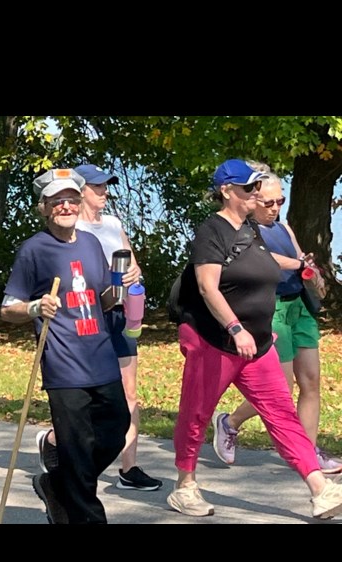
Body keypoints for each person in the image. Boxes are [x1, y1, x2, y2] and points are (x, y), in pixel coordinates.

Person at [168, 158, 342, 519]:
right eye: (249, 188)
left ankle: (320, 489)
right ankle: (185, 486)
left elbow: (264, 260)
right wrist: (235, 328)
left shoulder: (249, 229)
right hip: (213, 340)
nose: (255, 194)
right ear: (227, 191)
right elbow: (207, 286)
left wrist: (300, 266)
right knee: (196, 413)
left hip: (257, 344)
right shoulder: (211, 232)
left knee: (281, 413)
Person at [0, 168, 129, 524]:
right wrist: (34, 307)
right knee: (75, 446)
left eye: (71, 199)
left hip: (100, 356)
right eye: (57, 201)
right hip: (63, 362)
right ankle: (86, 515)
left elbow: (101, 299)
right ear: (43, 207)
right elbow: (7, 308)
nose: (66, 206)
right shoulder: (33, 250)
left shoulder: (89, 242)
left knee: (115, 429)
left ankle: (58, 484)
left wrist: (118, 287)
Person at [211, 167, 339, 472]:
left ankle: (308, 455)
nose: (275, 208)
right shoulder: (243, 231)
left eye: (280, 201)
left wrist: (314, 274)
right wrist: (298, 264)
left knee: (310, 382)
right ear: (253, 198)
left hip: (299, 308)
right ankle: (230, 422)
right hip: (271, 309)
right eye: (269, 203)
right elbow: (267, 259)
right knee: (280, 388)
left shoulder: (283, 228)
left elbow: (300, 261)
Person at [53, 163, 160, 490]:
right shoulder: (72, 231)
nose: (105, 193)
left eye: (107, 187)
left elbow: (132, 261)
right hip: (87, 318)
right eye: (98, 187)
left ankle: (129, 468)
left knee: (129, 393)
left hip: (120, 316)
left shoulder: (113, 223)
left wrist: (132, 275)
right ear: (81, 191)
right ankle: (60, 450)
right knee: (83, 394)